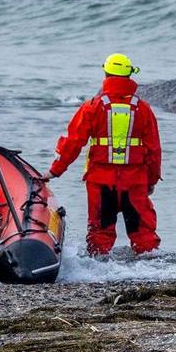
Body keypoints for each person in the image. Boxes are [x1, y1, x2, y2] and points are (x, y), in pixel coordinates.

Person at [45, 53, 162, 256]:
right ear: (129, 76)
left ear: (106, 74)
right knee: (143, 234)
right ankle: (151, 270)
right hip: (135, 181)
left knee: (99, 234)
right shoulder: (143, 110)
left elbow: (73, 142)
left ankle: (97, 271)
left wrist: (54, 171)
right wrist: (151, 181)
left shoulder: (93, 106)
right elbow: (154, 150)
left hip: (100, 181)